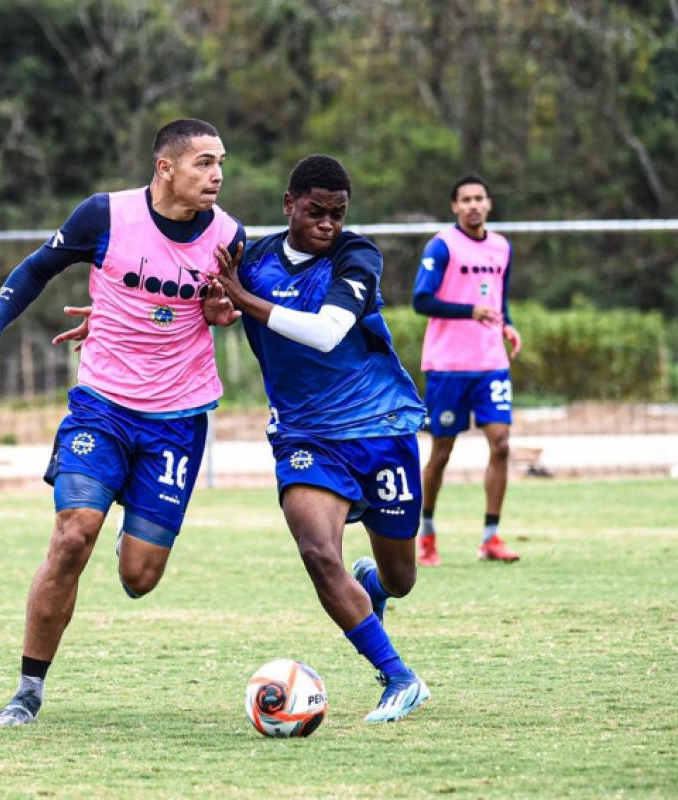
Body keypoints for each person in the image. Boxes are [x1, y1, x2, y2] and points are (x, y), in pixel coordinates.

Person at [0, 118, 245, 726]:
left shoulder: (230, 237)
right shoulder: (105, 215)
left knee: (140, 578)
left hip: (177, 419)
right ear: (165, 168)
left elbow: (232, 305)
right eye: (204, 162)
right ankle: (27, 693)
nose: (216, 175)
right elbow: (36, 268)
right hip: (102, 405)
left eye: (221, 163)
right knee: (72, 536)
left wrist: (222, 311)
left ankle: (132, 523)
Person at [212, 154, 429, 723]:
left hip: (380, 428)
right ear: (290, 205)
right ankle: (399, 677)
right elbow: (198, 299)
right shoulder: (252, 259)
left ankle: (372, 584)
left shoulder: (357, 256)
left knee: (401, 579)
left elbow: (328, 332)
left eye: (338, 213)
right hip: (305, 435)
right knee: (317, 552)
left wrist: (243, 301)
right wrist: (212, 306)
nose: (327, 223)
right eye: (315, 211)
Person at [410, 175, 523, 567]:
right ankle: (426, 535)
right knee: (441, 452)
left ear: (488, 204)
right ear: (455, 207)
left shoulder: (502, 247)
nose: (474, 205)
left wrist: (507, 325)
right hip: (448, 366)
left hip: (491, 363)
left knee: (501, 444)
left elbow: (499, 300)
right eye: (466, 199)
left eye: (479, 198)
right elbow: (421, 300)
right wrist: (469, 311)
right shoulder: (442, 246)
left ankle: (491, 537)